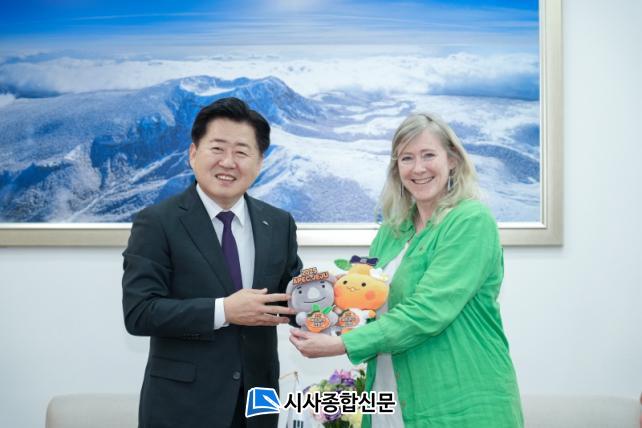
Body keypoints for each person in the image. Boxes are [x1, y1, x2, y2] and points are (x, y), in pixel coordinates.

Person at [290, 113, 523, 427]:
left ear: (452, 160)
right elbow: (369, 298)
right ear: (396, 168)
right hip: (390, 395)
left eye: (428, 155)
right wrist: (330, 294)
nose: (418, 168)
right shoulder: (392, 229)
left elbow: (429, 310)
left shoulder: (471, 221)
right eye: (407, 158)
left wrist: (343, 344)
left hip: (461, 397)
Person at [122, 97, 302, 428]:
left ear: (259, 162)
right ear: (193, 154)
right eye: (217, 148)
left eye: (242, 152)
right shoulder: (157, 222)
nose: (228, 162)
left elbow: (290, 297)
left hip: (257, 405)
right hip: (182, 407)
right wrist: (224, 311)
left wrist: (326, 299)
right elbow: (140, 312)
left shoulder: (279, 223)